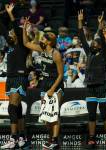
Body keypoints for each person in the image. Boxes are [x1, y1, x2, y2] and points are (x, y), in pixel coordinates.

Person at [23, 17, 63, 150]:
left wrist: (52, 89)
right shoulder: (42, 49)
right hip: (44, 84)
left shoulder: (56, 54)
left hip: (55, 86)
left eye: (44, 39)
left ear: (50, 42)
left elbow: (61, 75)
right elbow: (26, 44)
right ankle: (50, 138)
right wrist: (24, 29)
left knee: (54, 115)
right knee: (46, 116)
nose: (42, 40)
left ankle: (55, 141)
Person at [78, 10, 106, 149]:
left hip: (102, 87)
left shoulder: (104, 54)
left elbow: (103, 41)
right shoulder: (89, 53)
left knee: (104, 114)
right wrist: (80, 20)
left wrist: (101, 27)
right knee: (91, 115)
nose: (92, 44)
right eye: (91, 43)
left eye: (94, 43)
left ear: (98, 45)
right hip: (90, 87)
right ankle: (92, 137)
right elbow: (81, 36)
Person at [0, 4, 29, 149]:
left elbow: (14, 27)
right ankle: (22, 135)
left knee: (11, 108)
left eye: (13, 34)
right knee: (16, 109)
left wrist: (11, 14)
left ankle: (13, 139)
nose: (10, 35)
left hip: (20, 77)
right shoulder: (10, 45)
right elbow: (3, 29)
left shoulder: (22, 45)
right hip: (10, 78)